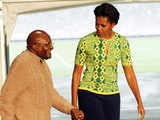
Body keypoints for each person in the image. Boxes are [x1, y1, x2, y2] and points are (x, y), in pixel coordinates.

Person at [72, 3, 145, 120]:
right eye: (96, 24)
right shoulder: (85, 41)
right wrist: (74, 106)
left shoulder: (122, 42)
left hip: (112, 94)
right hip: (88, 92)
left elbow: (130, 74)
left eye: (103, 25)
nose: (98, 28)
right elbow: (76, 74)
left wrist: (139, 101)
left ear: (113, 24)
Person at [0, 30, 84, 120]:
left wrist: (71, 109)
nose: (51, 47)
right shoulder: (22, 63)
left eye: (51, 43)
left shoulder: (41, 63)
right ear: (34, 46)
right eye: (47, 44)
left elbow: (50, 94)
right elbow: (6, 100)